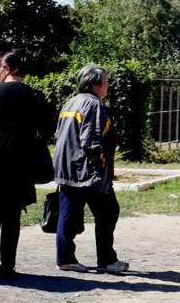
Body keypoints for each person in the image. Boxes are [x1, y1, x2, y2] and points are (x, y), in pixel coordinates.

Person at [0, 49, 52, 279]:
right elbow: (46, 130)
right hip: (21, 165)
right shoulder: (34, 96)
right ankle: (8, 264)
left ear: (6, 69)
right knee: (12, 216)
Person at [53, 64, 129, 274]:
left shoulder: (71, 102)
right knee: (108, 212)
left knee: (68, 215)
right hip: (87, 172)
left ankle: (65, 258)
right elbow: (91, 141)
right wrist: (99, 168)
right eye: (105, 82)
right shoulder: (94, 105)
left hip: (67, 169)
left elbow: (58, 136)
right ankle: (106, 259)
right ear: (95, 85)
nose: (108, 86)